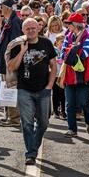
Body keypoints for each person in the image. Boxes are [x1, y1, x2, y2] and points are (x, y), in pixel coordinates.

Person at [7, 18, 57, 165]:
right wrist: (22, 51)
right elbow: (11, 67)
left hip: (43, 89)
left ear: (38, 28)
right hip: (25, 89)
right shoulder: (18, 44)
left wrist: (50, 85)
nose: (31, 30)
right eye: (28, 28)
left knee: (44, 122)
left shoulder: (46, 43)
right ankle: (31, 153)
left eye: (33, 28)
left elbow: (53, 65)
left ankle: (33, 147)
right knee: (27, 123)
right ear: (23, 30)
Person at [61, 13, 89, 137]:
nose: (67, 26)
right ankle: (72, 129)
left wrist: (71, 51)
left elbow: (86, 53)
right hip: (70, 75)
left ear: (75, 24)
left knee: (83, 102)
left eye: (69, 23)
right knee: (69, 103)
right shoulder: (68, 36)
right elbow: (62, 55)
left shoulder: (87, 36)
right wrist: (74, 49)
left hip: (84, 75)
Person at [0, 0, 23, 127]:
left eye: (2, 7)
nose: (0, 9)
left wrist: (11, 62)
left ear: (7, 8)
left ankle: (14, 118)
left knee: (11, 89)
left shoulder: (15, 22)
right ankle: (8, 115)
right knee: (6, 89)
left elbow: (15, 43)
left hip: (10, 63)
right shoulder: (10, 21)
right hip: (6, 62)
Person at [51, 33, 66, 120]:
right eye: (61, 41)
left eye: (64, 42)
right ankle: (56, 110)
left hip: (63, 75)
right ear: (56, 42)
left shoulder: (65, 50)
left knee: (63, 94)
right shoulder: (54, 50)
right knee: (56, 93)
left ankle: (63, 111)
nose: (63, 43)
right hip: (55, 74)